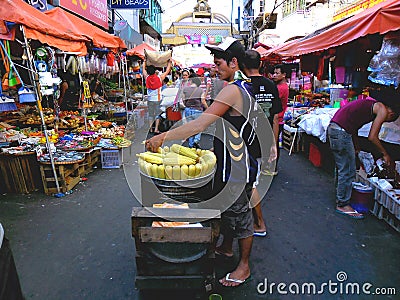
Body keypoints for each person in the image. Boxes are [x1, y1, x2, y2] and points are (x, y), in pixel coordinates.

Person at [145, 37, 271, 287]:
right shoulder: (240, 87)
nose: (216, 67)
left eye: (220, 62)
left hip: (238, 167)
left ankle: (243, 266)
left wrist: (163, 136)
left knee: (241, 217)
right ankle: (225, 247)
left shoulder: (233, 90)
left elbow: (201, 123)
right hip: (232, 162)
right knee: (226, 209)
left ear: (234, 63)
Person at [327, 86, 400, 219]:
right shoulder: (382, 110)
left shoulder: (370, 105)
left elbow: (354, 124)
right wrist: (385, 154)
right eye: (388, 120)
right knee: (348, 170)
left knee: (342, 167)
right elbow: (372, 136)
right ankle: (342, 204)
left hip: (336, 129)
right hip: (341, 132)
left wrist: (356, 146)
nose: (385, 121)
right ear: (392, 113)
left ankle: (340, 197)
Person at [242, 50, 282, 237]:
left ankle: (259, 223)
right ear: (260, 64)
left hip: (246, 140)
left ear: (242, 64)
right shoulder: (271, 85)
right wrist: (273, 144)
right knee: (251, 180)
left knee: (250, 183)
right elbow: (275, 118)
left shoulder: (242, 86)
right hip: (263, 139)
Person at [143, 59, 172, 133]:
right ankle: (156, 129)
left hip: (150, 99)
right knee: (157, 114)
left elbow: (143, 69)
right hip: (158, 99)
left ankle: (150, 129)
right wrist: (169, 63)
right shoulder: (159, 78)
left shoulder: (146, 78)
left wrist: (144, 61)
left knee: (150, 114)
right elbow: (167, 71)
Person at [272, 64, 290, 174]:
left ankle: (273, 168)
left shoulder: (281, 88)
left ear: (283, 75)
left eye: (277, 73)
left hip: (277, 119)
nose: (274, 75)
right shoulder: (282, 86)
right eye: (274, 73)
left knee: (273, 144)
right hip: (279, 118)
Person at [181, 74, 208, 147]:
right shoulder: (200, 90)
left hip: (188, 110)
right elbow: (203, 101)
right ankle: (196, 140)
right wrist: (207, 108)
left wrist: (187, 105)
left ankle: (191, 145)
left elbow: (183, 100)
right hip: (198, 110)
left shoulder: (185, 89)